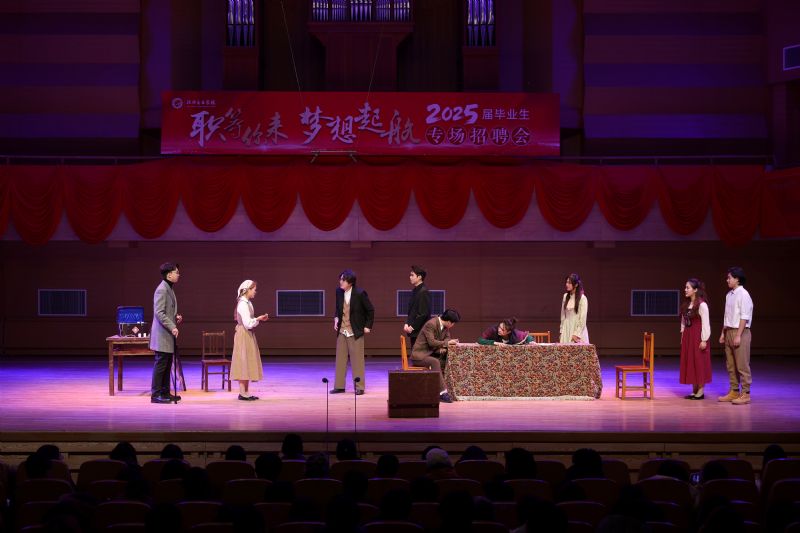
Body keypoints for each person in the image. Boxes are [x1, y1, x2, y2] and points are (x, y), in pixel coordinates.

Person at [332, 269, 374, 395]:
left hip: (355, 331)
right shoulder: (339, 292)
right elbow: (338, 309)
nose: (340, 282)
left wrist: (368, 326)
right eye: (340, 279)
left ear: (350, 282)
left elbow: (370, 310)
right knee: (340, 360)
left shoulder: (360, 293)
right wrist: (336, 319)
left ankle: (359, 387)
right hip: (342, 330)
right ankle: (339, 386)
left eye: (343, 280)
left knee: (357, 361)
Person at [718, 266, 754, 405]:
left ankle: (745, 393)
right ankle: (734, 391)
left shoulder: (743, 294)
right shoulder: (729, 295)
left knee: (742, 364)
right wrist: (723, 333)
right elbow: (727, 316)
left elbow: (744, 316)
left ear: (737, 279)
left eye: (729, 278)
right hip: (729, 331)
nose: (727, 280)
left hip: (741, 332)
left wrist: (738, 335)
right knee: (731, 364)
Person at [411, 308, 460, 403]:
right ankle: (442, 393)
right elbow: (432, 342)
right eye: (453, 323)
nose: (453, 325)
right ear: (449, 322)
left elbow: (447, 338)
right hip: (420, 355)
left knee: (445, 360)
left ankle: (445, 389)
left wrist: (445, 344)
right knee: (435, 362)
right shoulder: (431, 324)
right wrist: (447, 343)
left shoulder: (445, 327)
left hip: (431, 353)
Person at [150, 262, 182, 404]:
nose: (178, 275)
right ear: (169, 275)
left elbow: (167, 311)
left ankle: (165, 392)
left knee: (167, 364)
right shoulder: (162, 289)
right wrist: (172, 326)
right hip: (162, 334)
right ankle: (156, 394)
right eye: (176, 272)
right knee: (161, 365)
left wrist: (175, 317)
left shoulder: (169, 288)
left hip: (167, 334)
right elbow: (159, 312)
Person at [230, 280, 269, 401]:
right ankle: (242, 393)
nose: (255, 292)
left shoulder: (248, 303)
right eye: (254, 289)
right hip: (244, 334)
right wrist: (258, 319)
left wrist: (258, 319)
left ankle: (246, 392)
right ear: (247, 290)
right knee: (243, 361)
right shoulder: (242, 304)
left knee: (247, 361)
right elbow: (247, 324)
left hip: (248, 334)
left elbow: (250, 322)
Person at [680, 278, 712, 400]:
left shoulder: (702, 305)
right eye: (685, 287)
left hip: (698, 336)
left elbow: (706, 323)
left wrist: (704, 339)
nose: (685, 290)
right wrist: (682, 335)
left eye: (688, 287)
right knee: (691, 361)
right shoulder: (687, 304)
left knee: (699, 362)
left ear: (695, 290)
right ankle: (694, 390)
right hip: (688, 336)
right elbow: (683, 321)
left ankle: (701, 390)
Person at [403, 265, 430, 349]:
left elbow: (423, 313)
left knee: (418, 354)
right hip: (414, 331)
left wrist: (412, 327)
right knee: (414, 353)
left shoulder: (423, 291)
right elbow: (411, 310)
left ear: (419, 277)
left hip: (420, 331)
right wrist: (407, 323)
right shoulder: (415, 290)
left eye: (412, 275)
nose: (410, 277)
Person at [559, 273, 589, 344]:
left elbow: (582, 319)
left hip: (577, 329)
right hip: (566, 329)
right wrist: (561, 331)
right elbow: (563, 316)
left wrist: (577, 334)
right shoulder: (565, 296)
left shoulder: (582, 298)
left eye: (569, 283)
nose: (567, 284)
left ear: (576, 285)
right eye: (566, 282)